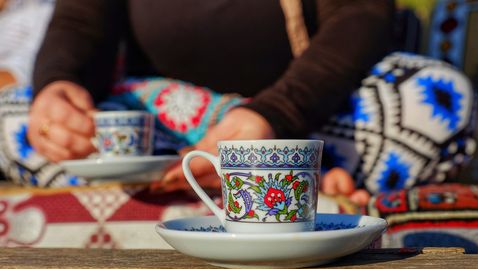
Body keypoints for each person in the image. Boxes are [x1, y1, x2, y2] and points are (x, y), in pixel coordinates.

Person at [26, 0, 394, 204]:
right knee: (13, 115)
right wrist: (56, 87)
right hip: (161, 120)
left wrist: (273, 115)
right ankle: (283, 177)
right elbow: (78, 23)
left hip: (306, 113)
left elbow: (360, 14)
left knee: (431, 96)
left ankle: (271, 167)